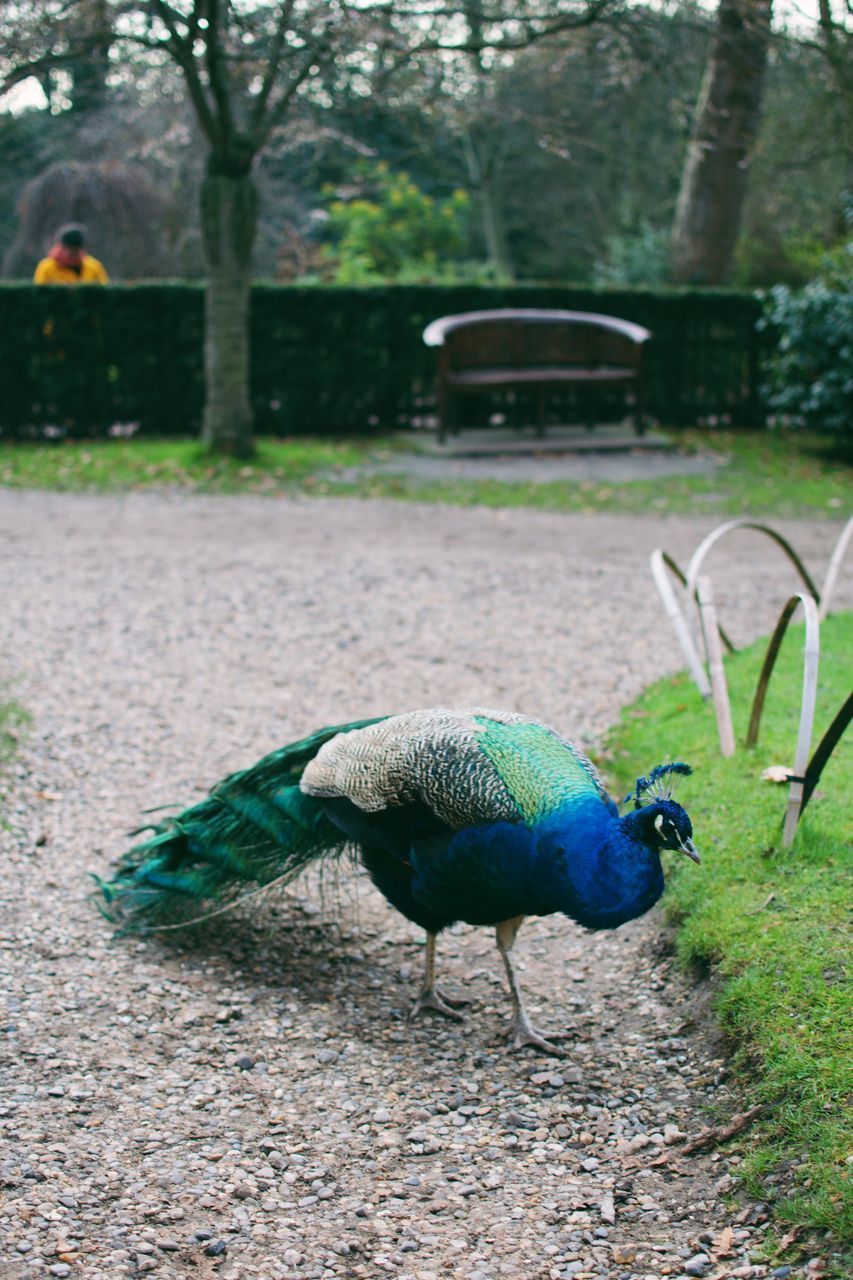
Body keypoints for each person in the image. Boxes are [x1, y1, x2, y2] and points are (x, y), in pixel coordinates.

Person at [33, 224, 109, 285]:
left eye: (77, 251)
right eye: (71, 251)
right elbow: (38, 295)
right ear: (60, 248)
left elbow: (104, 294)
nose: (74, 255)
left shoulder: (94, 267)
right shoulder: (47, 267)